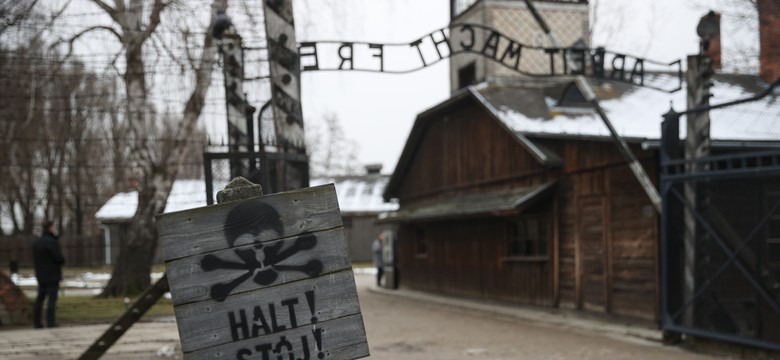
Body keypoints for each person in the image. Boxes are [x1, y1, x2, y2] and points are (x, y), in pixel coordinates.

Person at [32, 220, 65, 328]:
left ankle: (37, 322)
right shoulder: (51, 242)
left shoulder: (37, 242)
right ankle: (50, 322)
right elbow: (59, 258)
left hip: (41, 274)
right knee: (52, 299)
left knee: (40, 298)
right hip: (52, 274)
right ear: (50, 228)